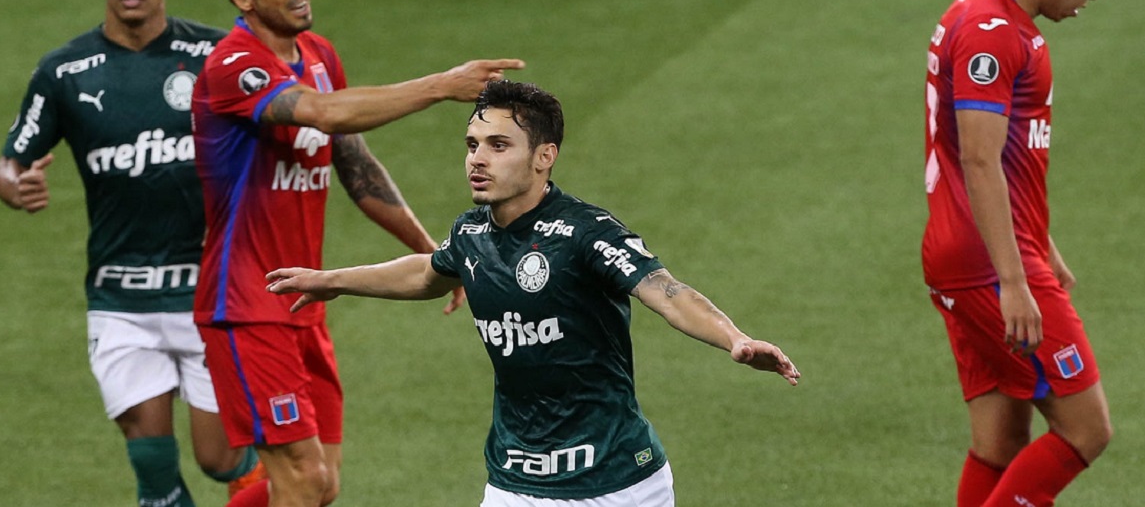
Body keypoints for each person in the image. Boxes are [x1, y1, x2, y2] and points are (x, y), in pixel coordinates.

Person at [265, 80, 800, 506]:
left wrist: (734, 338)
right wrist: (332, 279)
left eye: (499, 146)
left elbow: (665, 290)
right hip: (514, 481)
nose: (478, 159)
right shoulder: (472, 232)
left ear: (544, 156)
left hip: (616, 483)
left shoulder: (586, 232)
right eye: (473, 145)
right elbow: (428, 273)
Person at [191, 0, 524, 507]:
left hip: (306, 295)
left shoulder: (317, 53)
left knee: (322, 487)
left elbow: (354, 164)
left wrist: (432, 252)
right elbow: (324, 114)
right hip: (248, 302)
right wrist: (441, 84)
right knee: (303, 480)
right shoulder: (231, 66)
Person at [0, 0, 265, 506]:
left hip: (209, 292)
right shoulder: (63, 73)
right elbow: (12, 161)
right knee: (151, 461)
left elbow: (282, 122)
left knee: (219, 458)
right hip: (120, 297)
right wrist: (15, 186)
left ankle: (276, 477)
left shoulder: (217, 54)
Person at [921, 0, 1116, 506]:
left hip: (976, 254)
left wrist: (1044, 245)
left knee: (1000, 442)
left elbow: (1004, 162)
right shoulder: (993, 32)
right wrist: (1015, 279)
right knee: (1086, 430)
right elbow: (978, 160)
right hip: (988, 264)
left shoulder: (983, 13)